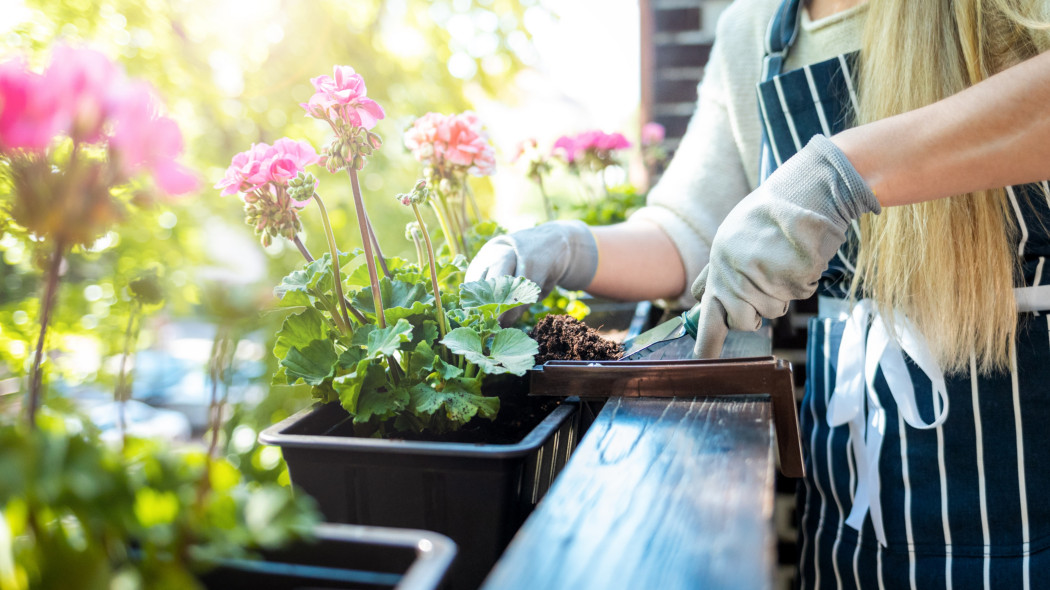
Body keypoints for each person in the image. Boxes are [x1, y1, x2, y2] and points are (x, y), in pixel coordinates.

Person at [467, 0, 1050, 587]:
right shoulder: (755, 31)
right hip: (855, 507)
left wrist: (843, 175)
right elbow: (687, 232)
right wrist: (561, 247)